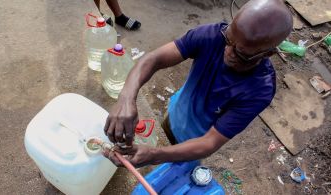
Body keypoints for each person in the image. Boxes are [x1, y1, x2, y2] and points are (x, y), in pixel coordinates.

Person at [103, 0, 293, 168]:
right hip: (176, 112)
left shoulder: (259, 90)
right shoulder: (213, 35)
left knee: (176, 166)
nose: (228, 51)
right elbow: (154, 59)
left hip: (194, 142)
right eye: (228, 39)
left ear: (268, 54)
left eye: (241, 53)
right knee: (165, 131)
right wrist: (126, 97)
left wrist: (154, 154)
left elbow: (209, 143)